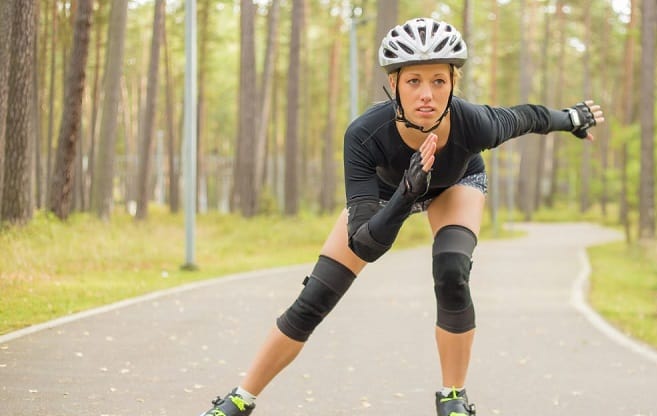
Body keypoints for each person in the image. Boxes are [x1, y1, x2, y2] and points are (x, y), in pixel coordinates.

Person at [199, 17, 604, 416]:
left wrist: (571, 119)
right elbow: (366, 244)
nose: (426, 94)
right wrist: (405, 195)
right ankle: (239, 399)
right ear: (393, 84)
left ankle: (453, 398)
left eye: (438, 81)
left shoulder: (474, 123)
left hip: (456, 183)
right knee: (315, 297)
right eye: (413, 81)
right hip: (384, 195)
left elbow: (527, 117)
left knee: (451, 272)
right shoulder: (363, 135)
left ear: (452, 84)